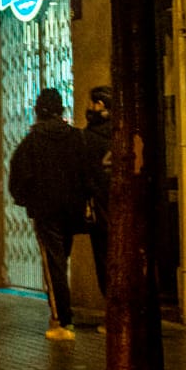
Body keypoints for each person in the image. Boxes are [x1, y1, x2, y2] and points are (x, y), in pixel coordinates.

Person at [9, 88, 94, 341]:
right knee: (62, 259)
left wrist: (26, 201)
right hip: (72, 209)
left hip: (46, 212)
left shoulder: (31, 142)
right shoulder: (77, 138)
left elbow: (18, 178)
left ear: (38, 110)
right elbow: (88, 174)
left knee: (54, 263)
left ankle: (61, 320)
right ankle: (64, 315)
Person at [80, 85, 113, 304]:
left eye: (92, 102)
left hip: (100, 207)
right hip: (123, 207)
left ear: (99, 105)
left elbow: (82, 173)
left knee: (104, 259)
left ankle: (112, 311)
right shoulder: (121, 132)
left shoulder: (87, 137)